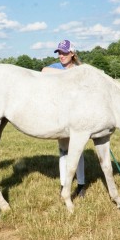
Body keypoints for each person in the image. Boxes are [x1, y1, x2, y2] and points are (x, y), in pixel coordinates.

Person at [42, 39, 85, 197]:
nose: (61, 55)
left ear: (72, 53)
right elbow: (44, 71)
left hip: (78, 115)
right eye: (59, 52)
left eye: (65, 52)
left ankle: (81, 184)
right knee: (63, 150)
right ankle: (63, 184)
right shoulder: (55, 68)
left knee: (77, 149)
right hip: (60, 115)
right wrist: (69, 74)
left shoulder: (81, 69)